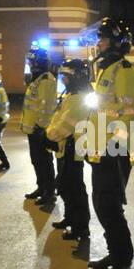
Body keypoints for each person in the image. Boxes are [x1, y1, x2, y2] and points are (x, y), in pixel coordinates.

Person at [87, 17, 134, 269]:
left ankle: (123, 264)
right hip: (101, 149)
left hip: (114, 152)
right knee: (101, 204)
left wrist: (113, 149)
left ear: (118, 42)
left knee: (110, 208)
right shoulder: (106, 71)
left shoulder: (126, 72)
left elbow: (127, 117)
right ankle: (114, 253)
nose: (99, 43)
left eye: (104, 38)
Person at [46, 58, 93, 244]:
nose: (63, 79)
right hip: (65, 148)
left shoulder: (78, 98)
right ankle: (71, 218)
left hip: (72, 150)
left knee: (74, 189)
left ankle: (80, 228)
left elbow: (65, 125)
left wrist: (48, 136)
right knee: (66, 186)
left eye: (66, 76)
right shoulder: (72, 95)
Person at [21, 46, 59, 205]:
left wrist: (40, 127)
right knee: (36, 160)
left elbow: (46, 106)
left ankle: (49, 192)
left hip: (40, 129)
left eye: (32, 61)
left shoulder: (46, 79)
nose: (30, 63)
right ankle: (41, 187)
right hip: (33, 128)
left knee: (44, 160)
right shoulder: (37, 78)